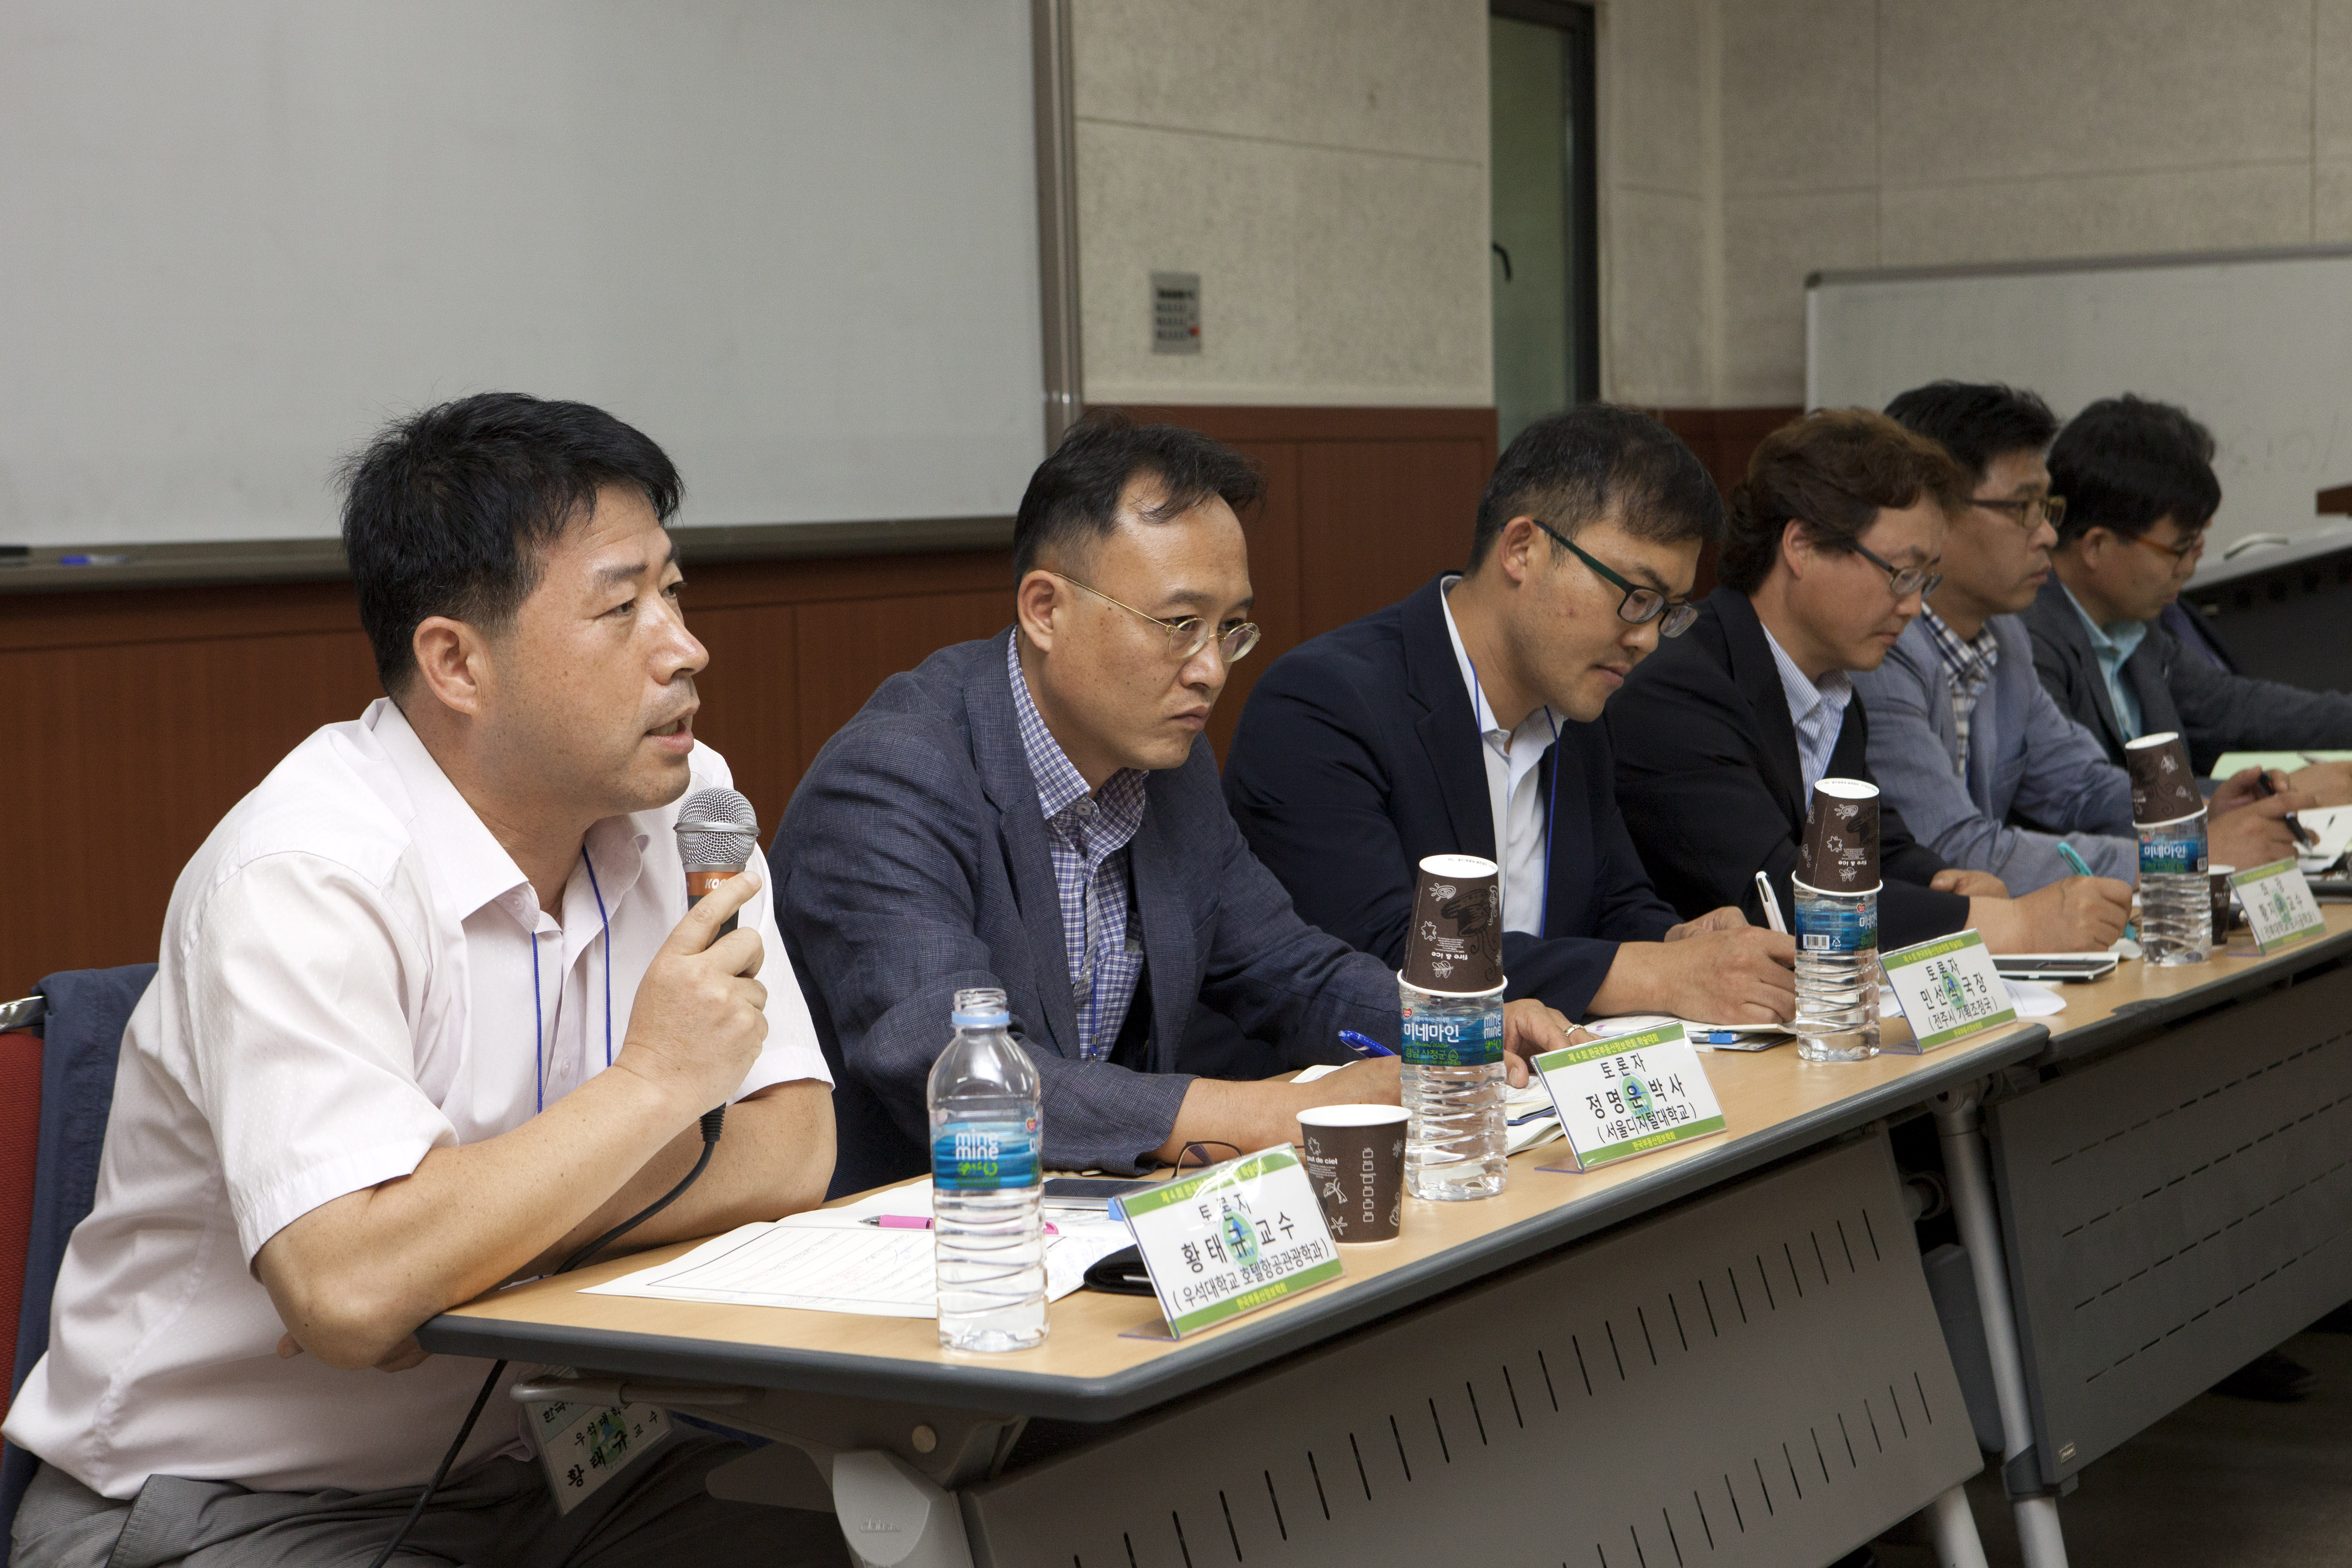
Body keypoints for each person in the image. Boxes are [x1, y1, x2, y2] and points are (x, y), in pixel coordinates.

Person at [4, 394, 849, 1568]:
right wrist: (654, 1087)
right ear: (456, 661)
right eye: (622, 607)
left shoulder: (683, 799)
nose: (683, 646)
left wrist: (456, 1257)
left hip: (554, 1470)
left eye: (674, 591)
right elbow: (353, 1293)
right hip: (228, 1499)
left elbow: (791, 1146)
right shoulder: (305, 874)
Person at [774, 411, 1578, 1195]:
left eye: (1231, 629)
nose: (1210, 670)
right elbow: (951, 1068)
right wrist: (1272, 1113)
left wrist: (1457, 1028)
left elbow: (1285, 967)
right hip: (915, 1228)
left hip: (1093, 1211)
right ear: (1045, 609)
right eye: (1180, 624)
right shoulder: (894, 776)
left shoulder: (1167, 767)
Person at [1221, 405, 1795, 1027]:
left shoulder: (1577, 708)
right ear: (1522, 549)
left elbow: (1615, 905)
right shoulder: (1322, 702)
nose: (1647, 639)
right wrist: (1656, 972)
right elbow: (1383, 956)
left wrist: (1681, 944)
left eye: (1669, 611)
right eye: (1636, 597)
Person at [1607, 408, 2133, 955]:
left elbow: (1878, 849)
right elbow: (1777, 898)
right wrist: (2010, 924)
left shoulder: (1835, 692)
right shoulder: (1678, 686)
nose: (1913, 606)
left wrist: (1944, 881)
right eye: (1901, 574)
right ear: (1802, 546)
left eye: (1926, 580)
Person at [1866, 383, 2309, 893]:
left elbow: (2081, 785)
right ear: (1933, 516)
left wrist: (2201, 813)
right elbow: (1953, 850)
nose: (2049, 535)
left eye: (2046, 508)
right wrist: (2179, 854)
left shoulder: (2003, 634)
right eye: (2022, 509)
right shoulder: (1882, 651)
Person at [2026, 395, 2352, 799]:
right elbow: (2085, 796)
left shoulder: (2133, 627)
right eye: (2178, 549)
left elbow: (2234, 708)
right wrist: (2276, 790)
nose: (2188, 567)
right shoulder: (2029, 644)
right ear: (2096, 546)